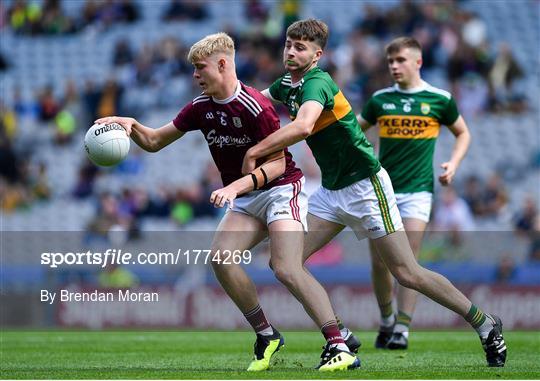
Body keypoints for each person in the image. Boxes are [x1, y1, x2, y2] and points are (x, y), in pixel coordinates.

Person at [242, 19, 506, 367]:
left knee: (407, 273)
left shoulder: (318, 83)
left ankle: (485, 325)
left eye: (301, 47)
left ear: (317, 54)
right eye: (289, 44)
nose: (291, 51)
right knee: (284, 263)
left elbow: (304, 126)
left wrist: (254, 151)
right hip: (331, 191)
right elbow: (253, 102)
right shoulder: (286, 84)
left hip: (365, 186)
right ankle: (337, 334)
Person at [94, 32, 359, 372]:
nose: (194, 75)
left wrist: (235, 187)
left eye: (199, 67)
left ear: (222, 64)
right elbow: (156, 141)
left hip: (281, 190)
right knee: (221, 259)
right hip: (247, 196)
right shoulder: (199, 108)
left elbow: (278, 163)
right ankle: (267, 335)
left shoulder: (255, 106)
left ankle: (338, 343)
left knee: (285, 267)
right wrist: (131, 125)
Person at [358, 36, 472, 350]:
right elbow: (356, 130)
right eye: (390, 62)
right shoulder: (380, 100)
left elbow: (463, 132)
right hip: (381, 191)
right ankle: (386, 319)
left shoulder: (439, 99)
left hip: (418, 191)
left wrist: (454, 163)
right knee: (380, 264)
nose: (394, 66)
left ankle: (402, 329)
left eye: (401, 61)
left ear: (418, 62)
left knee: (408, 263)